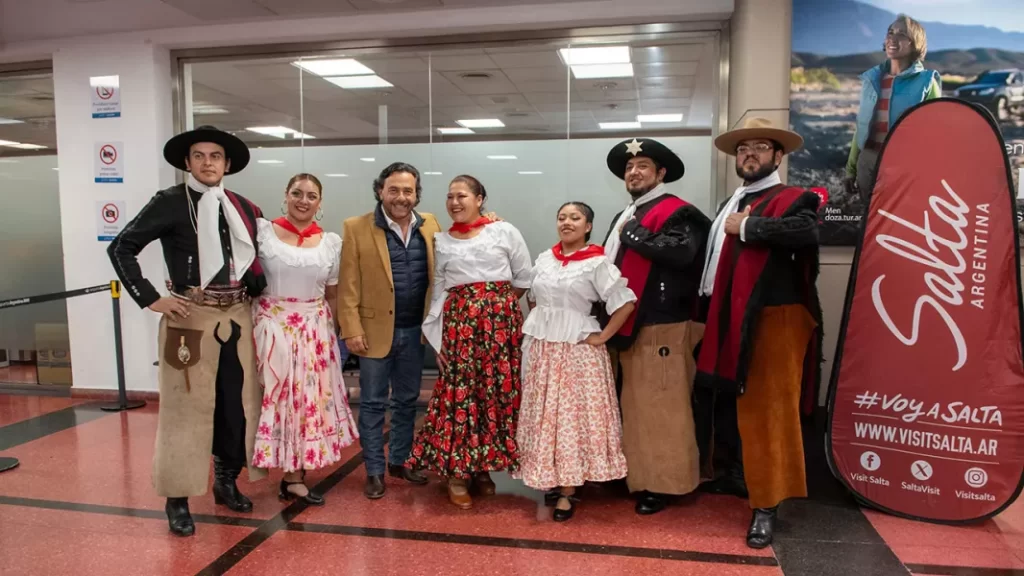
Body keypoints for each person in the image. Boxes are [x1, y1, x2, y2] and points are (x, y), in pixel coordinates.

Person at [107, 125, 267, 537]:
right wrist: (150, 298)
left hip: (238, 316)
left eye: (215, 156)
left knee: (235, 405)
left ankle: (226, 481)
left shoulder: (244, 206)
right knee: (185, 409)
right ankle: (176, 498)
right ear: (187, 162)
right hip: (190, 317)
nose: (207, 163)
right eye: (199, 156)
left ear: (227, 164)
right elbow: (121, 246)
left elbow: (258, 259)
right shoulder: (170, 202)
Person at [695, 117, 823, 549]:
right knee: (731, 403)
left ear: (778, 155)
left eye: (760, 147)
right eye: (743, 148)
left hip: (774, 317)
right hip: (728, 313)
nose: (749, 154)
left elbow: (806, 232)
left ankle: (767, 505)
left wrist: (749, 228)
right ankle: (738, 476)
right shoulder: (729, 202)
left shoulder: (795, 197)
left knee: (769, 412)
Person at [601, 138, 712, 516]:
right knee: (630, 407)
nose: (634, 172)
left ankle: (663, 483)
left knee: (661, 409)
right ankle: (633, 473)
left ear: (661, 173)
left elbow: (681, 253)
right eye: (629, 168)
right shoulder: (626, 214)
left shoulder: (680, 213)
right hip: (624, 323)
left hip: (661, 325)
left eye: (643, 166)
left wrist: (632, 232)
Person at [407, 175, 532, 510]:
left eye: (462, 196)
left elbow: (523, 277)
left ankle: (482, 468)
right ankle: (457, 475)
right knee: (459, 395)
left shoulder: (504, 231)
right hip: (459, 326)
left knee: (492, 394)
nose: (454, 202)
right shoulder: (442, 239)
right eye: (450, 196)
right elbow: (439, 287)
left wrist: (494, 305)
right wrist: (438, 337)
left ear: (480, 199)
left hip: (499, 328)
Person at [515, 201, 635, 522]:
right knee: (546, 415)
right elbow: (533, 298)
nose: (567, 222)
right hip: (544, 350)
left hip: (577, 353)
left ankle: (569, 489)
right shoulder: (545, 259)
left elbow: (624, 302)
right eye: (562, 217)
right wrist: (544, 324)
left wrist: (603, 336)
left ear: (588, 226)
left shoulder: (596, 262)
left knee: (570, 417)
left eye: (575, 218)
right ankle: (551, 475)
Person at [251, 173, 359, 505]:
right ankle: (239, 472)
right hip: (271, 327)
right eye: (297, 193)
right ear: (285, 195)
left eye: (311, 196)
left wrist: (335, 336)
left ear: (320, 203)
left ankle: (294, 477)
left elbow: (333, 293)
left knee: (304, 403)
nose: (303, 201)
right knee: (272, 399)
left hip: (314, 331)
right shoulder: (262, 232)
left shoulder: (330, 243)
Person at [338, 162, 441, 500]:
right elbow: (348, 286)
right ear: (380, 190)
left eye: (408, 190)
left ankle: (399, 460)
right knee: (372, 404)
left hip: (414, 331)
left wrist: (491, 219)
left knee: (407, 401)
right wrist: (351, 328)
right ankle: (374, 471)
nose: (401, 197)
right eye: (393, 189)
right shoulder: (356, 227)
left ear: (416, 194)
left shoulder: (430, 225)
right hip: (372, 333)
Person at [845, 13, 939, 197]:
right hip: (868, 161)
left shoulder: (927, 82)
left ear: (915, 42)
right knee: (868, 212)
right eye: (890, 32)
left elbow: (936, 134)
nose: (892, 38)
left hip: (906, 165)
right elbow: (861, 127)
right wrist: (851, 169)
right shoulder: (871, 79)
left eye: (902, 34)